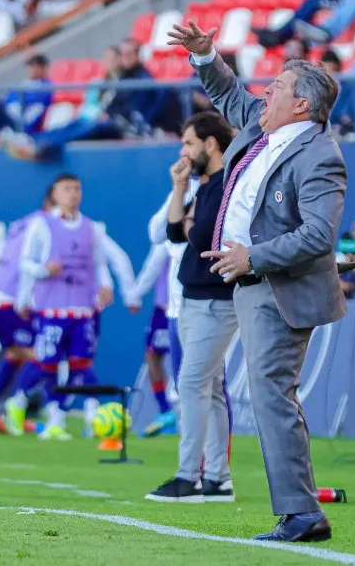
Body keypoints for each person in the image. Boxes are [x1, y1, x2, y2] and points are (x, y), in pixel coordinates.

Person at [169, 19, 345, 542]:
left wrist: (254, 258)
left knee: (271, 394)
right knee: (270, 394)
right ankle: (300, 509)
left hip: (278, 287)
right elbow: (225, 91)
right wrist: (206, 54)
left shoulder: (321, 155)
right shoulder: (261, 128)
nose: (264, 94)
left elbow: (319, 234)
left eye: (278, 90)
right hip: (249, 284)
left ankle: (302, 512)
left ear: (303, 106)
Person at [145, 112, 238, 504]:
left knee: (191, 383)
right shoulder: (203, 186)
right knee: (211, 388)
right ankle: (217, 478)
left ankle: (189, 477)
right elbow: (171, 231)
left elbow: (198, 235)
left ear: (210, 144)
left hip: (216, 298)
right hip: (196, 297)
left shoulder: (225, 186)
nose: (183, 151)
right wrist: (180, 185)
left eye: (189, 143)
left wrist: (190, 223)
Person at [5, 173, 113, 440]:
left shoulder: (92, 228)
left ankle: (62, 419)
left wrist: (106, 284)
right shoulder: (41, 225)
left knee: (82, 365)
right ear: (55, 194)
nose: (73, 194)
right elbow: (25, 263)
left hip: (83, 309)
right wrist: (42, 272)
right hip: (51, 308)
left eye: (77, 188)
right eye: (67, 189)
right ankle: (18, 401)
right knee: (47, 365)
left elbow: (98, 263)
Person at [0, 186, 54, 433]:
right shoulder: (45, 226)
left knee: (15, 353)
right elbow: (29, 265)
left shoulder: (22, 222)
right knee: (41, 355)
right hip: (10, 299)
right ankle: (17, 408)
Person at [133, 244, 177, 437]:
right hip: (183, 305)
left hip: (169, 307)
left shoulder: (169, 229)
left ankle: (169, 411)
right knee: (154, 355)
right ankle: (167, 412)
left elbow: (153, 264)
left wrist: (135, 295)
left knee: (155, 357)